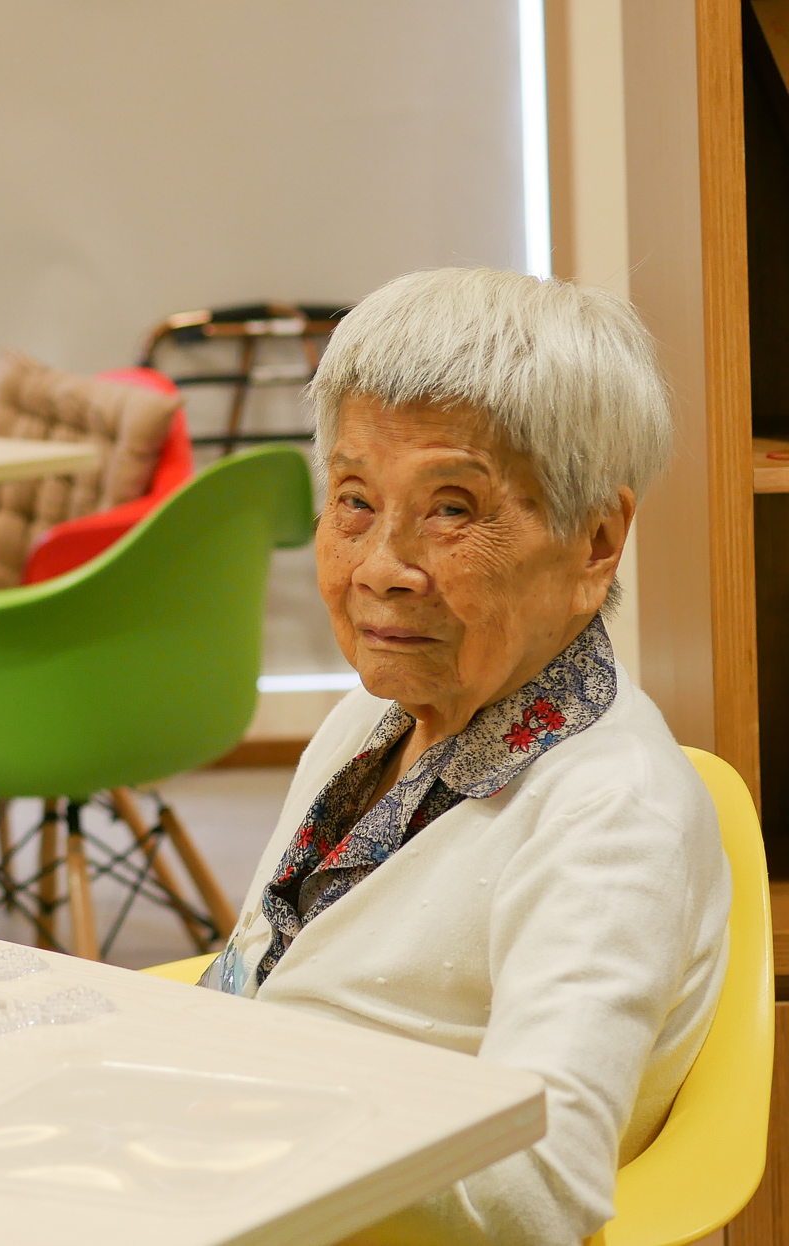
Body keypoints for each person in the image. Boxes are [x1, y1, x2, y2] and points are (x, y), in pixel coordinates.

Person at [198, 267, 729, 1244]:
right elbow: (262, 967)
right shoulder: (371, 719)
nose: (379, 568)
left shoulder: (606, 816)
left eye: (449, 508)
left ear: (593, 543)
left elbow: (532, 1191)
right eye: (353, 499)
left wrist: (247, 1124)